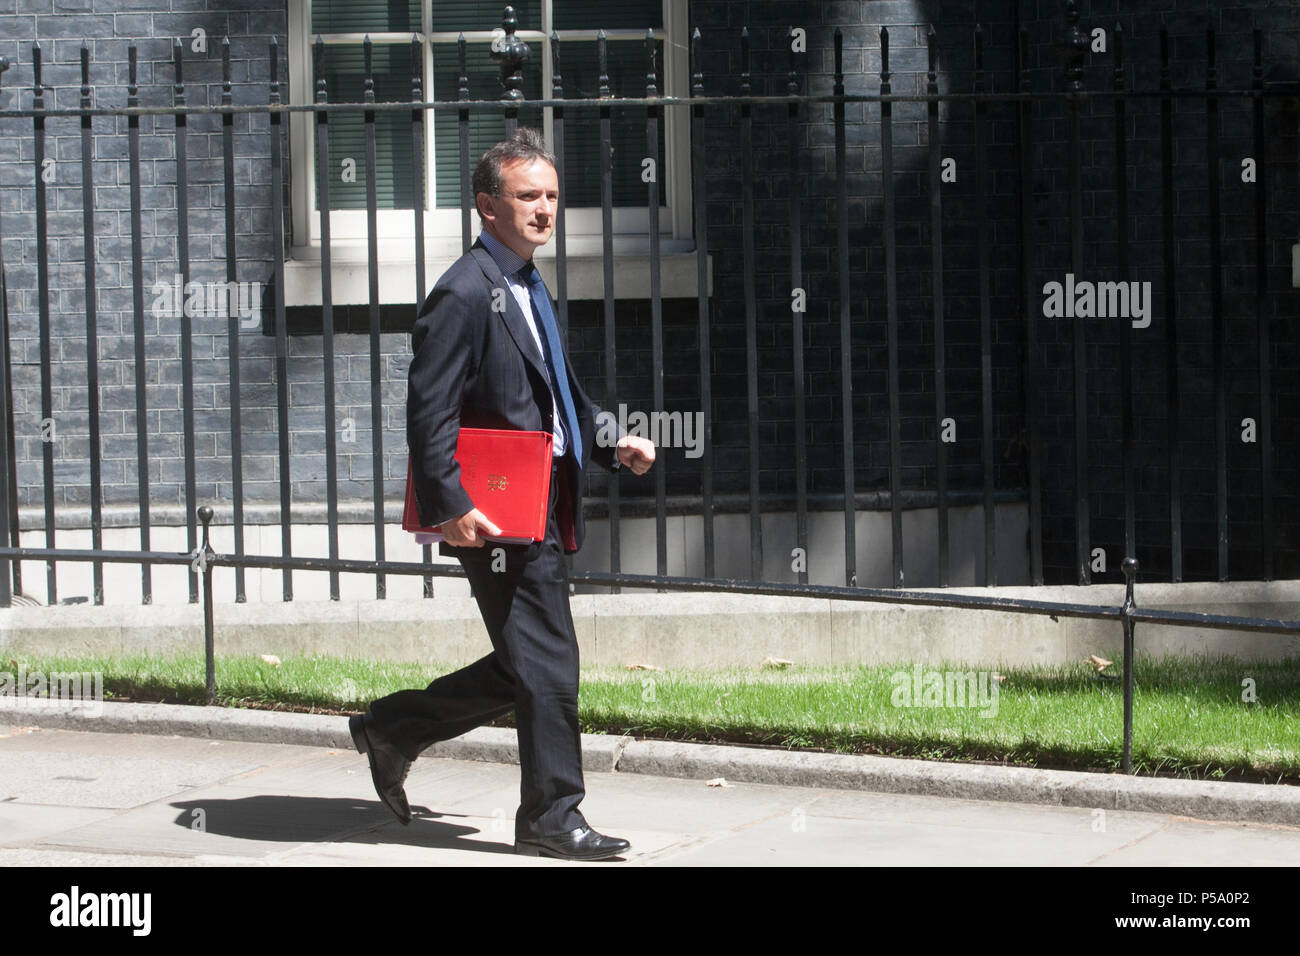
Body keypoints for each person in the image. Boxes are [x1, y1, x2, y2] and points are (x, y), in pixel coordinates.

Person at [348, 128, 655, 862]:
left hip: (540, 503)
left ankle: (393, 728)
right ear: (488, 206)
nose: (544, 210)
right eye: (527, 197)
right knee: (549, 664)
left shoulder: (524, 281)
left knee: (529, 662)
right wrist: (451, 505)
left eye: (551, 196)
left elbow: (556, 393)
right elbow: (430, 412)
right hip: (492, 517)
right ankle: (552, 816)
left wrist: (608, 441)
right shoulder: (464, 291)